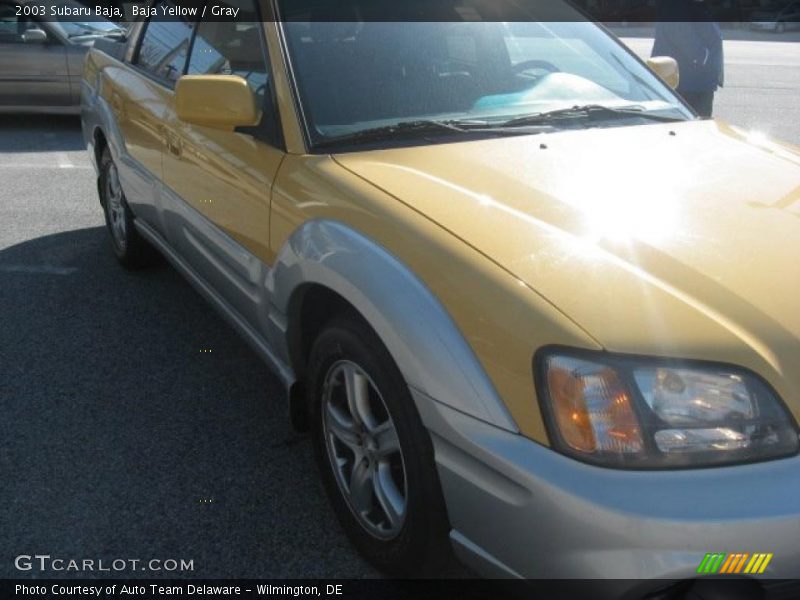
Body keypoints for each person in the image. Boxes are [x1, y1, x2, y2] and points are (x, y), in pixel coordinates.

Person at [652, 0, 724, 117]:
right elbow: (678, 29)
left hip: (696, 80)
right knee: (692, 126)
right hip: (688, 81)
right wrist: (702, 57)